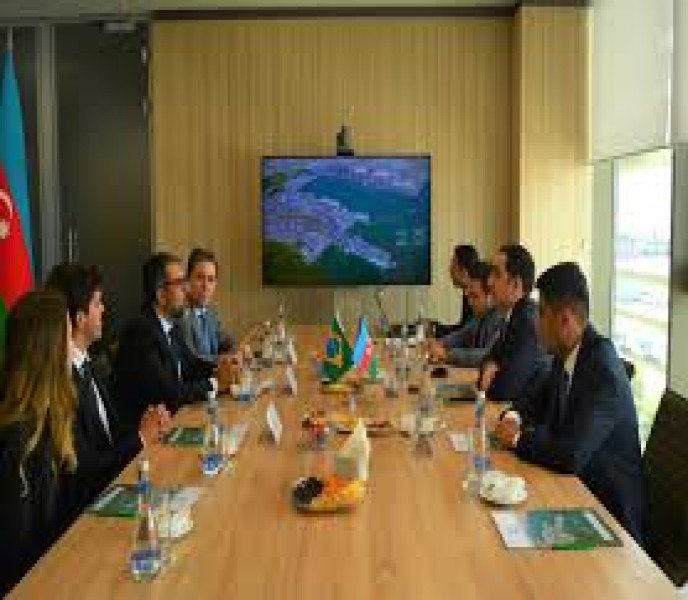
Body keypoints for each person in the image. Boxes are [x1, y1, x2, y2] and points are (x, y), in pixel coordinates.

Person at [493, 262, 644, 543]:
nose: (536, 323)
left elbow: (571, 455)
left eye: (541, 314)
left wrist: (517, 439)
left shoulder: (603, 370)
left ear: (564, 319)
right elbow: (532, 401)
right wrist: (514, 417)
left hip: (610, 518)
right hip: (573, 492)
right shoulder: (567, 354)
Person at [45, 263, 170, 509]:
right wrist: (140, 438)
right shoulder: (61, 382)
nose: (104, 309)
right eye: (97, 303)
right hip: (89, 509)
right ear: (79, 318)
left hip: (117, 488)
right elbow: (87, 469)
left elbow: (111, 432)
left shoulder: (89, 363)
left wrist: (146, 424)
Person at [0, 292, 79, 595]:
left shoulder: (49, 420)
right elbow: (15, 562)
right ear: (50, 352)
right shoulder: (14, 441)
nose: (73, 349)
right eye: (68, 338)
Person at [113, 252, 234, 430]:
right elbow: (169, 394)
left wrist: (223, 368)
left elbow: (191, 365)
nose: (187, 289)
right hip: (146, 436)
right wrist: (216, 383)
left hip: (172, 420)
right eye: (180, 283)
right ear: (161, 294)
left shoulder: (171, 324)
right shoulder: (141, 332)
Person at [479, 244, 549, 401]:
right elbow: (487, 359)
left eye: (496, 274)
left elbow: (504, 390)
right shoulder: (514, 316)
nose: (489, 282)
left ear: (516, 285)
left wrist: (490, 375)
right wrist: (489, 367)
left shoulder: (527, 323)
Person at [427, 260, 502, 368]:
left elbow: (488, 355)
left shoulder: (500, 318)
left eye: (474, 296)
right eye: (468, 296)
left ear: (490, 296)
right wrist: (440, 343)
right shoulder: (480, 316)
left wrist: (447, 355)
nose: (470, 302)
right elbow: (462, 335)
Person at [178, 248, 235, 365]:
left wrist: (237, 349)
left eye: (211, 280)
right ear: (187, 280)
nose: (206, 286)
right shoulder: (180, 314)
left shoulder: (209, 311)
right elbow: (192, 359)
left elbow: (224, 340)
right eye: (200, 278)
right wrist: (222, 359)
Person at [433, 244, 479, 338]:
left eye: (453, 264)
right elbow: (463, 329)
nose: (449, 269)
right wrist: (437, 328)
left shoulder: (474, 296)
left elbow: (465, 335)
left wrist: (438, 330)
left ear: (464, 271)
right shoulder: (467, 292)